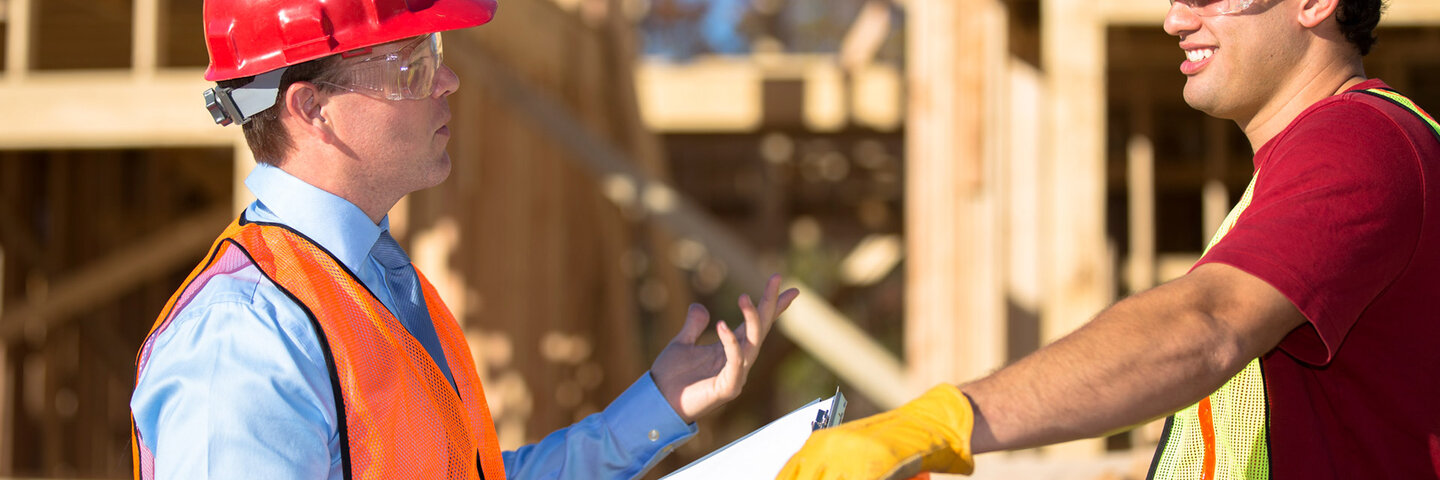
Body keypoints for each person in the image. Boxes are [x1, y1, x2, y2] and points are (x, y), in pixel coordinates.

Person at [128, 1, 800, 479]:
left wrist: (657, 403)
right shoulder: (243, 339)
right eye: (411, 65)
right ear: (312, 110)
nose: (447, 80)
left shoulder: (380, 287)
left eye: (435, 55)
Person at [779, 0, 1439, 477]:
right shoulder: (1310, 162)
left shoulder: (1357, 142)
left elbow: (1205, 323)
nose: (1174, 20)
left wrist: (946, 420)